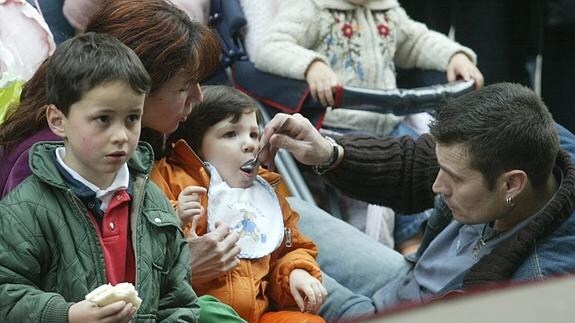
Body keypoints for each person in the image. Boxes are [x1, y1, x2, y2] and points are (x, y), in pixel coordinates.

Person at [0, 0, 245, 321]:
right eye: (185, 86)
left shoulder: (129, 161)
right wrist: (186, 266)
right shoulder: (50, 165)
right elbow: (24, 290)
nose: (198, 97)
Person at [260, 82, 575, 320]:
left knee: (261, 256)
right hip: (405, 277)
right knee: (273, 214)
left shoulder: (537, 287)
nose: (437, 185)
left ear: (512, 184)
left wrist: (289, 269)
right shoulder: (535, 136)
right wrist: (330, 153)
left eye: (454, 178)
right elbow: (417, 162)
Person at [252, 0, 484, 251]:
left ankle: (427, 238)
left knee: (429, 159)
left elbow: (417, 42)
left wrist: (454, 56)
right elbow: (269, 47)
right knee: (372, 176)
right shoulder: (311, 8)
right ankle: (409, 244)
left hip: (388, 121)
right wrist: (311, 65)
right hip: (340, 126)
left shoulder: (387, 10)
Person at [151, 85, 328, 323]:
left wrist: (294, 273)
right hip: (197, 310)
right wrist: (176, 214)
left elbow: (291, 248)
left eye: (255, 135)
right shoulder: (171, 178)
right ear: (194, 141)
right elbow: (149, 237)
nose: (251, 145)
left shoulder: (268, 193)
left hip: (261, 314)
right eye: (231, 134)